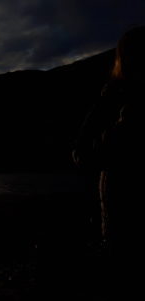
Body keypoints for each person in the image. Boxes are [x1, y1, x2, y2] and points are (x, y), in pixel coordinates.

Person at [73, 25, 145, 297]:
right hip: (118, 195)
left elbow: (84, 150)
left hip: (121, 196)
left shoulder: (118, 95)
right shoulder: (115, 94)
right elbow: (83, 150)